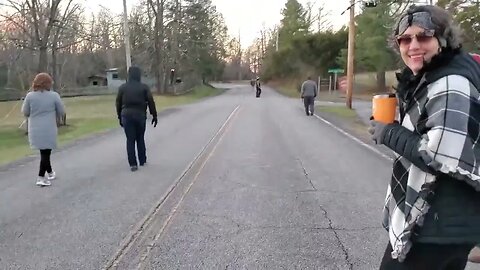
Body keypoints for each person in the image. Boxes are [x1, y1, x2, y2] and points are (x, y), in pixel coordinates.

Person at [367, 5, 480, 269]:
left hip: (435, 225)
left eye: (424, 36)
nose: (413, 45)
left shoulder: (451, 83)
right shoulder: (432, 77)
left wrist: (389, 132)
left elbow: (438, 154)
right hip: (441, 223)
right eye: (405, 39)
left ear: (443, 39)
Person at [21, 73, 65, 187]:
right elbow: (62, 111)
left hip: (35, 128)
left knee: (44, 152)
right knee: (46, 152)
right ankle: (40, 177)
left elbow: (25, 112)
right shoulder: (54, 96)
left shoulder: (30, 96)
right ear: (47, 83)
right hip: (49, 128)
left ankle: (50, 173)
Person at [116, 66, 158, 172]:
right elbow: (150, 101)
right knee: (140, 138)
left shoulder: (123, 88)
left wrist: (119, 116)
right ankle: (142, 160)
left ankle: (133, 164)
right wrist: (154, 115)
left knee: (130, 139)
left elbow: (118, 103)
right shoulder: (144, 87)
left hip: (126, 115)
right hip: (140, 115)